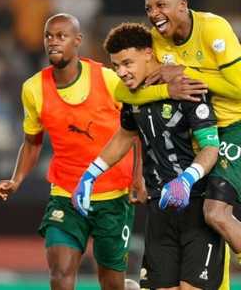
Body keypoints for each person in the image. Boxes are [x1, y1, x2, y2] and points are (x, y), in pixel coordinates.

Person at [0, 13, 141, 290]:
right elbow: (32, 141)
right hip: (65, 194)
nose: (53, 42)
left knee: (110, 282)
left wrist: (138, 177)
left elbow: (136, 130)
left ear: (78, 41)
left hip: (113, 195)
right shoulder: (33, 88)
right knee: (60, 272)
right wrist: (16, 180)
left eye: (62, 36)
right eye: (49, 36)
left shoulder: (108, 79)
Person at [80, 22, 225, 290]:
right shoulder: (133, 97)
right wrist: (91, 173)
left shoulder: (185, 88)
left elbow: (210, 147)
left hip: (197, 206)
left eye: (127, 63)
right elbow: (124, 136)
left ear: (148, 53)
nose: (121, 72)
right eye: (116, 66)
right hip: (159, 208)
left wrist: (186, 180)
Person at [115, 0, 241, 264]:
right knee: (202, 221)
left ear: (182, 5)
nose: (154, 14)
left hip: (234, 127)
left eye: (161, 5)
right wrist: (167, 89)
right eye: (149, 8)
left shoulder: (213, 28)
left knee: (215, 213)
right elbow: (123, 90)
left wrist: (185, 71)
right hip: (197, 133)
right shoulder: (155, 42)